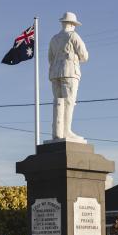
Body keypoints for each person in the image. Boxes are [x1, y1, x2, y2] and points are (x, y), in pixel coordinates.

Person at [48, 11, 88, 141]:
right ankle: (66, 131)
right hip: (70, 71)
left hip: (55, 72)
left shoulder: (54, 39)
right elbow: (85, 56)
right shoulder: (73, 36)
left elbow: (50, 58)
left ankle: (57, 132)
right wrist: (74, 57)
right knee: (69, 102)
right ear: (71, 24)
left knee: (58, 102)